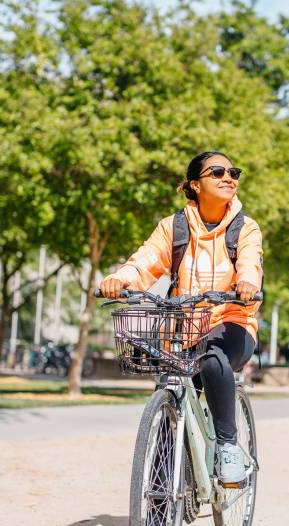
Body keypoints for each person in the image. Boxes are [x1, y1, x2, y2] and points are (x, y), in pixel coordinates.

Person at [99, 151, 263, 484]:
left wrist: (246, 283)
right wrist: (121, 279)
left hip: (232, 322)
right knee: (168, 403)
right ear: (194, 184)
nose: (228, 177)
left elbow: (250, 262)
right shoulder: (173, 227)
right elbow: (145, 261)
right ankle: (157, 513)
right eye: (217, 172)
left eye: (234, 171)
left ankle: (228, 447)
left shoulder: (245, 228)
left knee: (215, 359)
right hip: (185, 329)